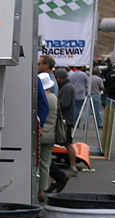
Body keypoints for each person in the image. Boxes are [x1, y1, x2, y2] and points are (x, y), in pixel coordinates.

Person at [38, 73, 68, 201]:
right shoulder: (54, 98)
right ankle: (42, 190)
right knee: (46, 163)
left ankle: (36, 189)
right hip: (51, 134)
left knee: (36, 164)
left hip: (39, 133)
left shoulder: (39, 97)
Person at [55, 68, 78, 176]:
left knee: (68, 143)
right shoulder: (68, 86)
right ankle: (72, 166)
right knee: (67, 143)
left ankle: (73, 166)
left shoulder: (67, 88)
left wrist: (54, 102)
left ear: (59, 78)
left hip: (65, 120)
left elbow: (64, 104)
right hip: (67, 119)